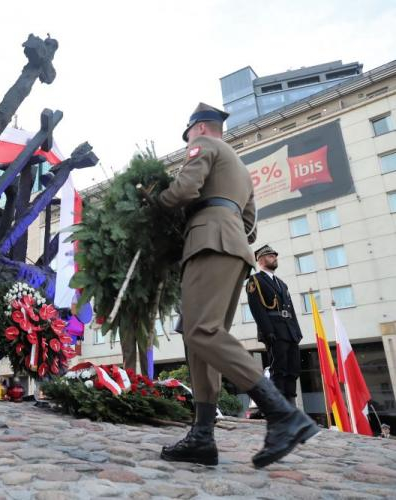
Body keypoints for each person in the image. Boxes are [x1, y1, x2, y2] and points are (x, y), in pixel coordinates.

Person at [156, 103, 317, 468]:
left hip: (208, 243)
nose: (187, 144)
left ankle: (282, 414)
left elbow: (183, 190)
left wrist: (156, 203)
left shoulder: (205, 147)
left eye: (187, 137)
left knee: (202, 331)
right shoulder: (242, 171)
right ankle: (202, 436)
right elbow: (251, 226)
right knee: (201, 343)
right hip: (232, 248)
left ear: (197, 129)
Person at [246, 245, 303, 406]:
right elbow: (256, 308)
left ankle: (291, 403)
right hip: (274, 330)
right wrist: (267, 331)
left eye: (275, 256)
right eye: (271, 256)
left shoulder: (282, 284)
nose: (275, 258)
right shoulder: (255, 280)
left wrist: (297, 332)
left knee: (293, 368)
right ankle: (280, 406)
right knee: (279, 369)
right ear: (261, 260)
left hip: (289, 331)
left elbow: (290, 309)